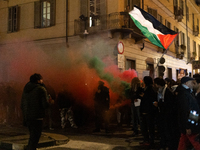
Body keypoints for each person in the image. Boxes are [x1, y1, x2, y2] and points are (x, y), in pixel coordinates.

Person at [21, 73, 51, 150]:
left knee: (32, 136)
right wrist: (50, 101)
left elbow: (22, 104)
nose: (42, 81)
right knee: (35, 137)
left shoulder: (26, 89)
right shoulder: (41, 89)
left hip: (27, 116)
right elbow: (45, 105)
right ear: (38, 80)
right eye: (41, 79)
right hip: (37, 117)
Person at [175, 77, 200, 150]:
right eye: (192, 82)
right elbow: (184, 111)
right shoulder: (184, 94)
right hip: (190, 122)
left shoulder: (187, 92)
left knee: (183, 141)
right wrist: (188, 126)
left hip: (191, 121)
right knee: (195, 141)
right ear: (186, 83)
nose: (193, 84)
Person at [154, 78, 177, 150]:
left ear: (158, 84)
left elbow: (169, 104)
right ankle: (164, 143)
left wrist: (159, 104)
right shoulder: (161, 91)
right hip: (163, 114)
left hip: (167, 115)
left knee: (167, 130)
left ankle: (168, 144)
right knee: (163, 130)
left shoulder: (167, 91)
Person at [139, 76, 157, 148]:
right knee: (146, 127)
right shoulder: (147, 89)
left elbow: (150, 100)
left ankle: (150, 141)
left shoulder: (150, 89)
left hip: (148, 111)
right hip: (146, 111)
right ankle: (147, 140)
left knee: (149, 127)